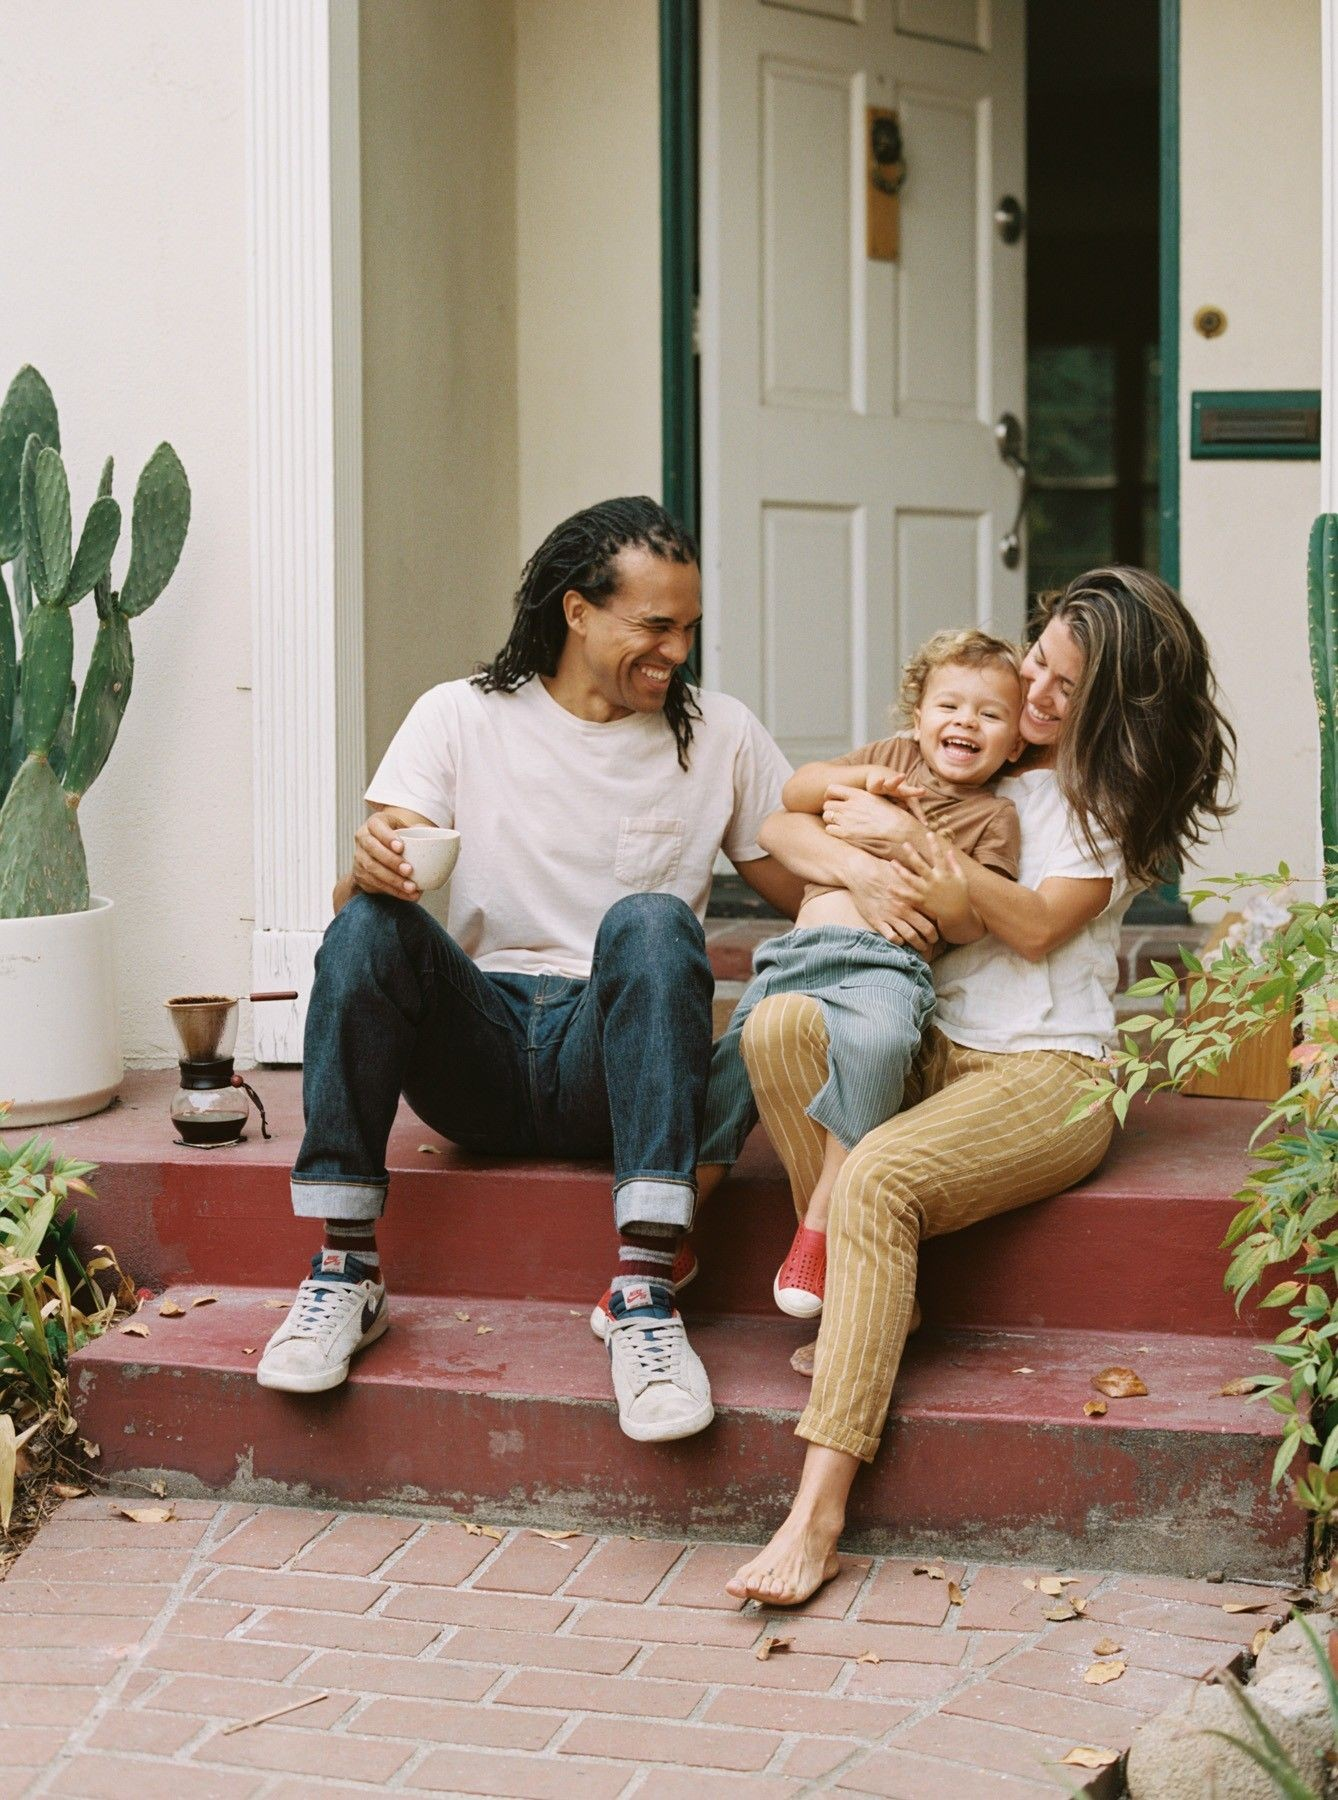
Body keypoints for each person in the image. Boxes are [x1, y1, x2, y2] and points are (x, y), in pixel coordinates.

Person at [719, 567, 1236, 1604]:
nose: (1036, 688)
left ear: (1116, 702)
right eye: (1037, 659)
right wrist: (867, 866)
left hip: (1046, 1068)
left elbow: (1039, 925)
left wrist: (911, 846)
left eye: (1063, 683)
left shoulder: (1104, 802)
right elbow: (785, 828)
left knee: (878, 1181)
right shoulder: (974, 762)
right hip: (926, 1033)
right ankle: (865, 1289)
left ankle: (818, 1509)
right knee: (778, 1026)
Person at [255, 496, 801, 1444]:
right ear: (577, 610)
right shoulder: (458, 716)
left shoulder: (721, 733)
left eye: (689, 630)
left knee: (653, 921)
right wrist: (367, 869)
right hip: (482, 1054)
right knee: (373, 924)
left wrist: (914, 874)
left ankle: (644, 1295)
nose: (677, 651)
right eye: (656, 626)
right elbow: (367, 914)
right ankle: (345, 1270)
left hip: (613, 1061)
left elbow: (800, 884)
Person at [692, 629, 1026, 1323]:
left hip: (889, 966)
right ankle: (670, 1233)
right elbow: (791, 796)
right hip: (798, 953)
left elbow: (966, 926)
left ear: (1015, 743)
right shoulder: (885, 760)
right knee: (722, 1084)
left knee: (876, 1053)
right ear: (918, 716)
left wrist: (934, 879)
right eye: (949, 705)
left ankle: (820, 1216)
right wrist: (854, 782)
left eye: (990, 715)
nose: (965, 722)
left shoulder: (994, 818)